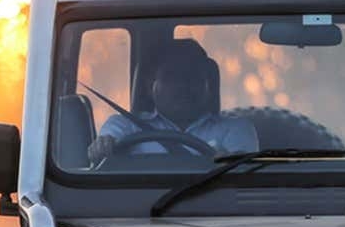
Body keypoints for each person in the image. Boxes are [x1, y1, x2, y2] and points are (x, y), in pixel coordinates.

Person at [88, 41, 258, 162]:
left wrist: (231, 163)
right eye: (171, 76)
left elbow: (242, 180)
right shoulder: (124, 126)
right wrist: (102, 147)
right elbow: (102, 149)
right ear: (149, 87)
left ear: (209, 85)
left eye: (193, 76)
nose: (183, 85)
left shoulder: (236, 129)